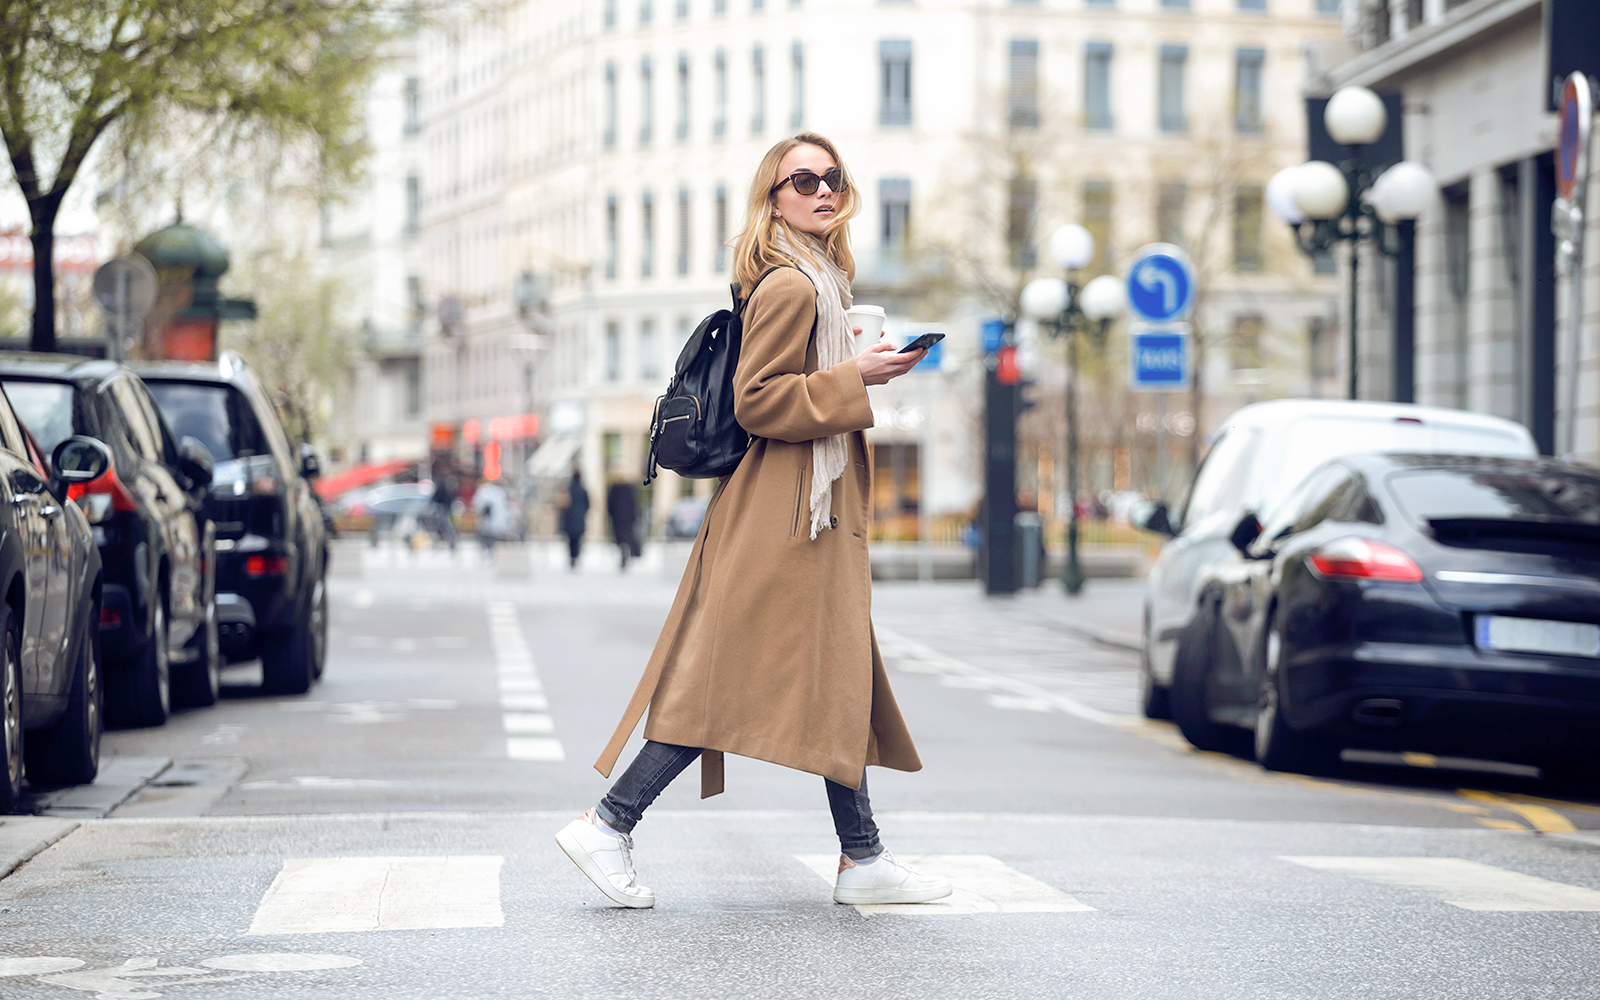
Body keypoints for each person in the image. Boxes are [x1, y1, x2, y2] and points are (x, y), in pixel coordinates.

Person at [556, 132, 947, 909]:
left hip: (806, 507)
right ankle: (609, 823)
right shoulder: (792, 287)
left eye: (833, 178)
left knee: (837, 674)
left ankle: (862, 855)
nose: (823, 191)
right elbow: (758, 399)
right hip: (781, 509)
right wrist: (854, 375)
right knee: (727, 678)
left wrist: (863, 368)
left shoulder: (822, 282)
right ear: (773, 197)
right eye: (802, 180)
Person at [472, 476, 510, 557]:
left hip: (493, 520)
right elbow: (479, 504)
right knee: (485, 535)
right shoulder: (484, 490)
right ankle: (486, 550)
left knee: (492, 536)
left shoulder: (498, 492)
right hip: (487, 520)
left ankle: (490, 551)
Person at [559, 469, 589, 570]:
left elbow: (562, 505)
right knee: (577, 540)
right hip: (579, 519)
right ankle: (576, 556)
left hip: (569, 519)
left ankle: (572, 557)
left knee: (571, 540)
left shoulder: (568, 489)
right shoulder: (583, 490)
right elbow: (588, 505)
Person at [606, 479, 638, 571]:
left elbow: (609, 505)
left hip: (618, 519)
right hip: (626, 519)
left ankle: (623, 551)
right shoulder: (629, 491)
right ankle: (625, 551)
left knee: (620, 538)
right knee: (625, 537)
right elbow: (633, 506)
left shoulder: (614, 490)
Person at [429, 474, 458, 551]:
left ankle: (448, 541)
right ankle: (445, 541)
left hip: (445, 510)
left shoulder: (448, 490)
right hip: (444, 510)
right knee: (444, 527)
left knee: (446, 527)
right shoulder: (445, 489)